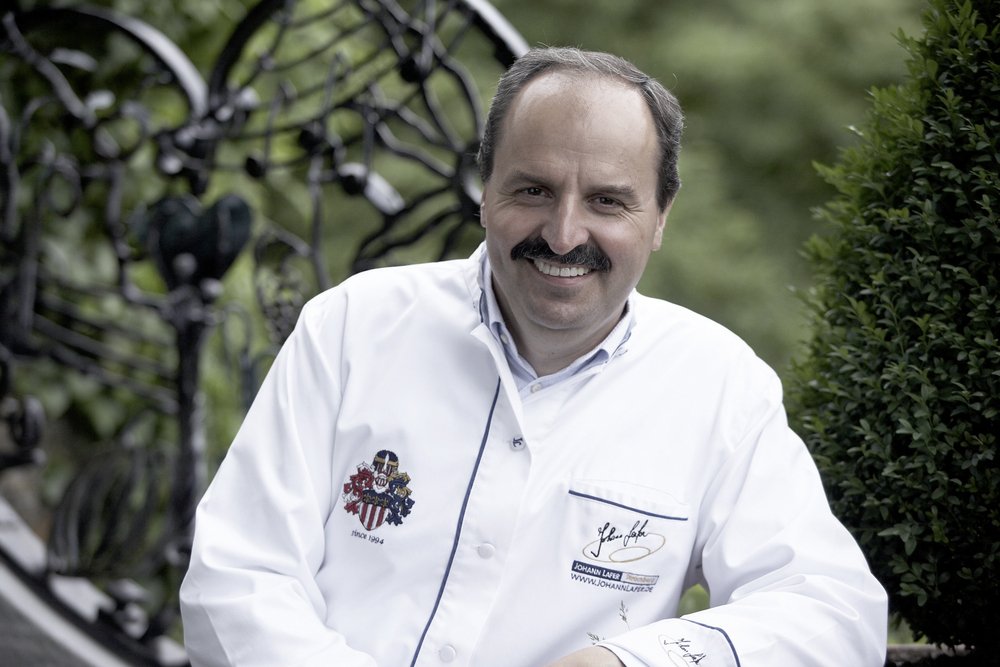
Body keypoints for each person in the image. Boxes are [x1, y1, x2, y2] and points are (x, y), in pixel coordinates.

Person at [179, 47, 887, 666]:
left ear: (662, 216)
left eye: (609, 201)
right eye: (534, 189)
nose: (564, 231)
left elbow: (835, 615)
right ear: (485, 189)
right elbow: (238, 574)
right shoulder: (352, 327)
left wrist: (629, 660)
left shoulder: (720, 386)